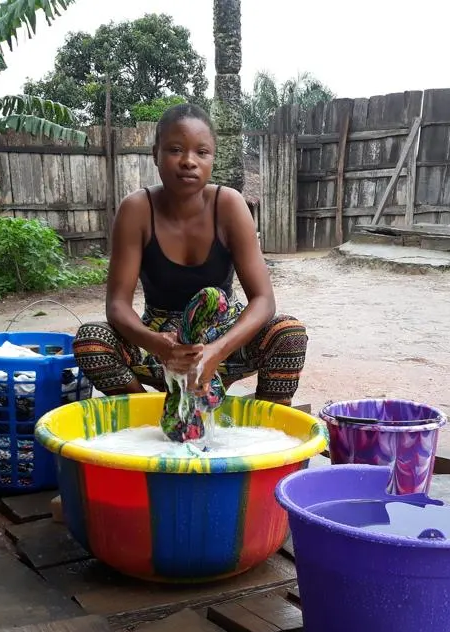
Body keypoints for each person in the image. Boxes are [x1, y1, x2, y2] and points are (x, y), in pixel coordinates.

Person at [73, 103, 308, 439]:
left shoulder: (229, 205)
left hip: (221, 342)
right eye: (175, 149)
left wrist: (218, 350)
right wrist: (158, 345)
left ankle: (266, 437)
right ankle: (157, 421)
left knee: (288, 332)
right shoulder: (137, 210)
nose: (188, 161)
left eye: (202, 151)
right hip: (160, 344)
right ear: (155, 154)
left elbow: (263, 301)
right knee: (91, 342)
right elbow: (117, 306)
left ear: (213, 158)